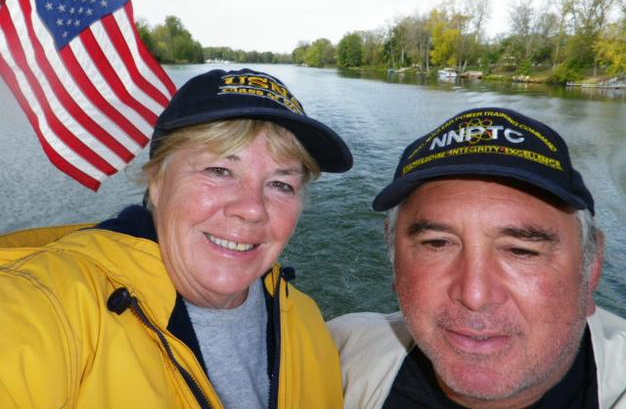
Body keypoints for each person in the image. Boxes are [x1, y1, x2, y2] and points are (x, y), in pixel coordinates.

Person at [0, 68, 352, 408]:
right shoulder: (51, 304)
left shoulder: (304, 319)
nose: (252, 209)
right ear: (156, 182)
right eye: (220, 170)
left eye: (281, 184)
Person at [329, 107, 626, 409]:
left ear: (591, 268)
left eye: (521, 251)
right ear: (395, 262)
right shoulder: (335, 355)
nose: (474, 295)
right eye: (437, 244)